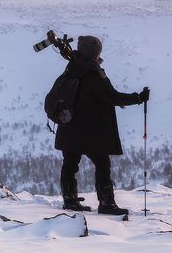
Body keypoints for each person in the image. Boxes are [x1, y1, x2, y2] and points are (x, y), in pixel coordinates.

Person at [55, 35, 149, 215]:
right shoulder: (94, 75)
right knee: (102, 164)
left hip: (68, 126)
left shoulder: (72, 69)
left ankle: (70, 200)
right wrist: (138, 98)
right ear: (95, 52)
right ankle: (106, 204)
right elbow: (113, 97)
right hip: (91, 131)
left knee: (70, 164)